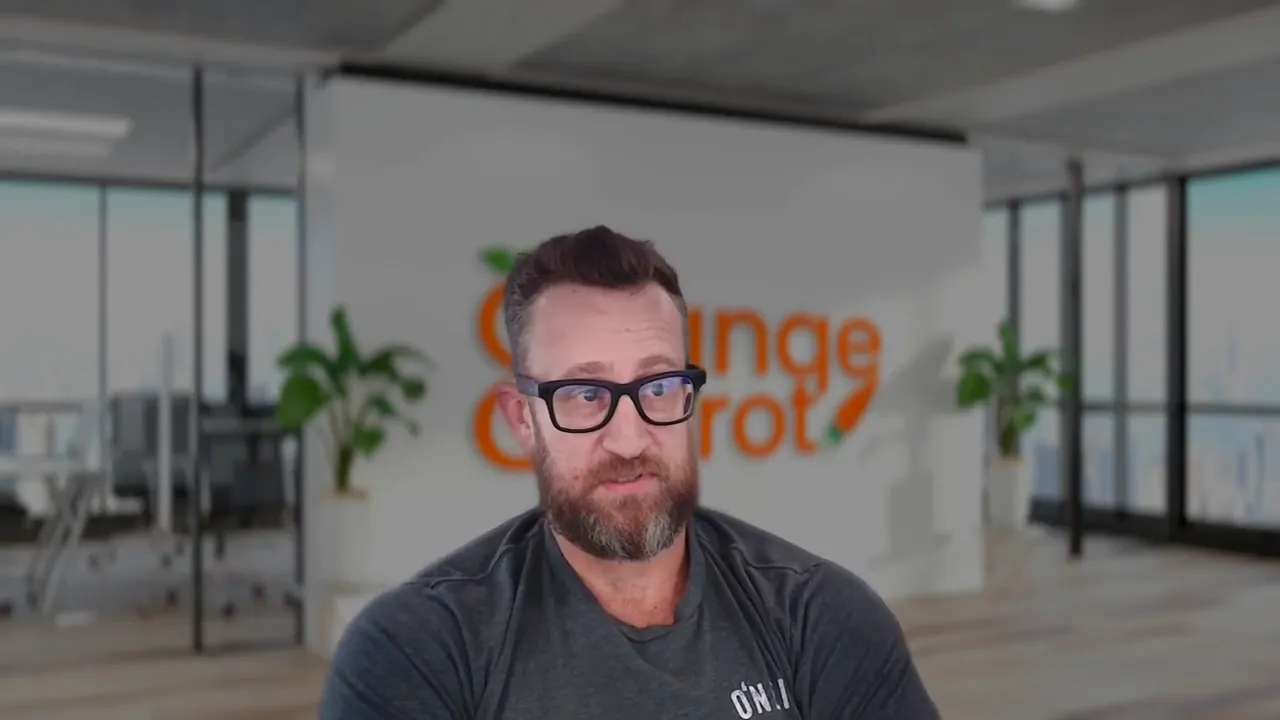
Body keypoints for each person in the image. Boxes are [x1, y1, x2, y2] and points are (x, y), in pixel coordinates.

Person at [319, 226, 939, 719]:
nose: (629, 436)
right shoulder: (418, 650)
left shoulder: (820, 616)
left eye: (659, 385)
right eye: (584, 394)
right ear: (522, 418)